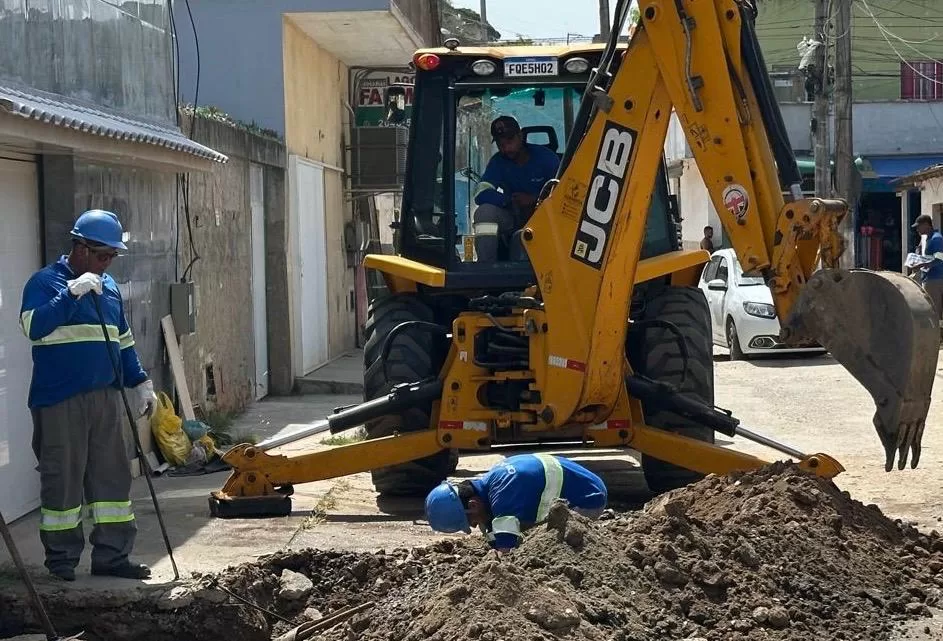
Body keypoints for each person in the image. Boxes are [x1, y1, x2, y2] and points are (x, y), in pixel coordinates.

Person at [19, 209, 158, 581]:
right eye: (101, 255)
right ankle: (62, 559)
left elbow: (122, 341)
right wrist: (71, 293)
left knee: (112, 479)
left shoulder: (109, 288)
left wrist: (140, 382)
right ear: (79, 247)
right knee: (63, 478)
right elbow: (33, 326)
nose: (107, 263)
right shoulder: (44, 283)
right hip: (60, 400)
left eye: (112, 256)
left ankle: (112, 556)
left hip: (105, 399)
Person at [424, 453, 607, 551]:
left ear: (473, 504)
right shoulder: (494, 481)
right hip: (587, 484)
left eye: (470, 521)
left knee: (533, 543)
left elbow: (506, 551)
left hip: (589, 499)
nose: (473, 526)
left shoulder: (503, 498)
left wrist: (500, 546)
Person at [473, 116, 561, 262]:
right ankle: (486, 266)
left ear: (520, 136)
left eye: (510, 142)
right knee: (484, 212)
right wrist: (509, 201)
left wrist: (533, 199)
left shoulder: (547, 158)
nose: (506, 149)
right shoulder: (498, 162)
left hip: (547, 218)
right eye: (501, 144)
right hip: (514, 216)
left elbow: (562, 193)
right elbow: (481, 192)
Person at [912, 213, 943, 330]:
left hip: (935, 279)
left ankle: (936, 335)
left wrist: (921, 264)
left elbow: (939, 258)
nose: (917, 229)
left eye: (918, 226)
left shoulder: (936, 238)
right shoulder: (928, 239)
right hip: (929, 278)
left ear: (926, 225)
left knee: (934, 311)